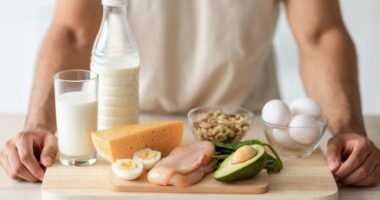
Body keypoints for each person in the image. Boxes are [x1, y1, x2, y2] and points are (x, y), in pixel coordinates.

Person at [1, 0, 379, 186]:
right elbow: (71, 31)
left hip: (243, 133)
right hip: (128, 133)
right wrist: (38, 124)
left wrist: (350, 130)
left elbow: (320, 34)